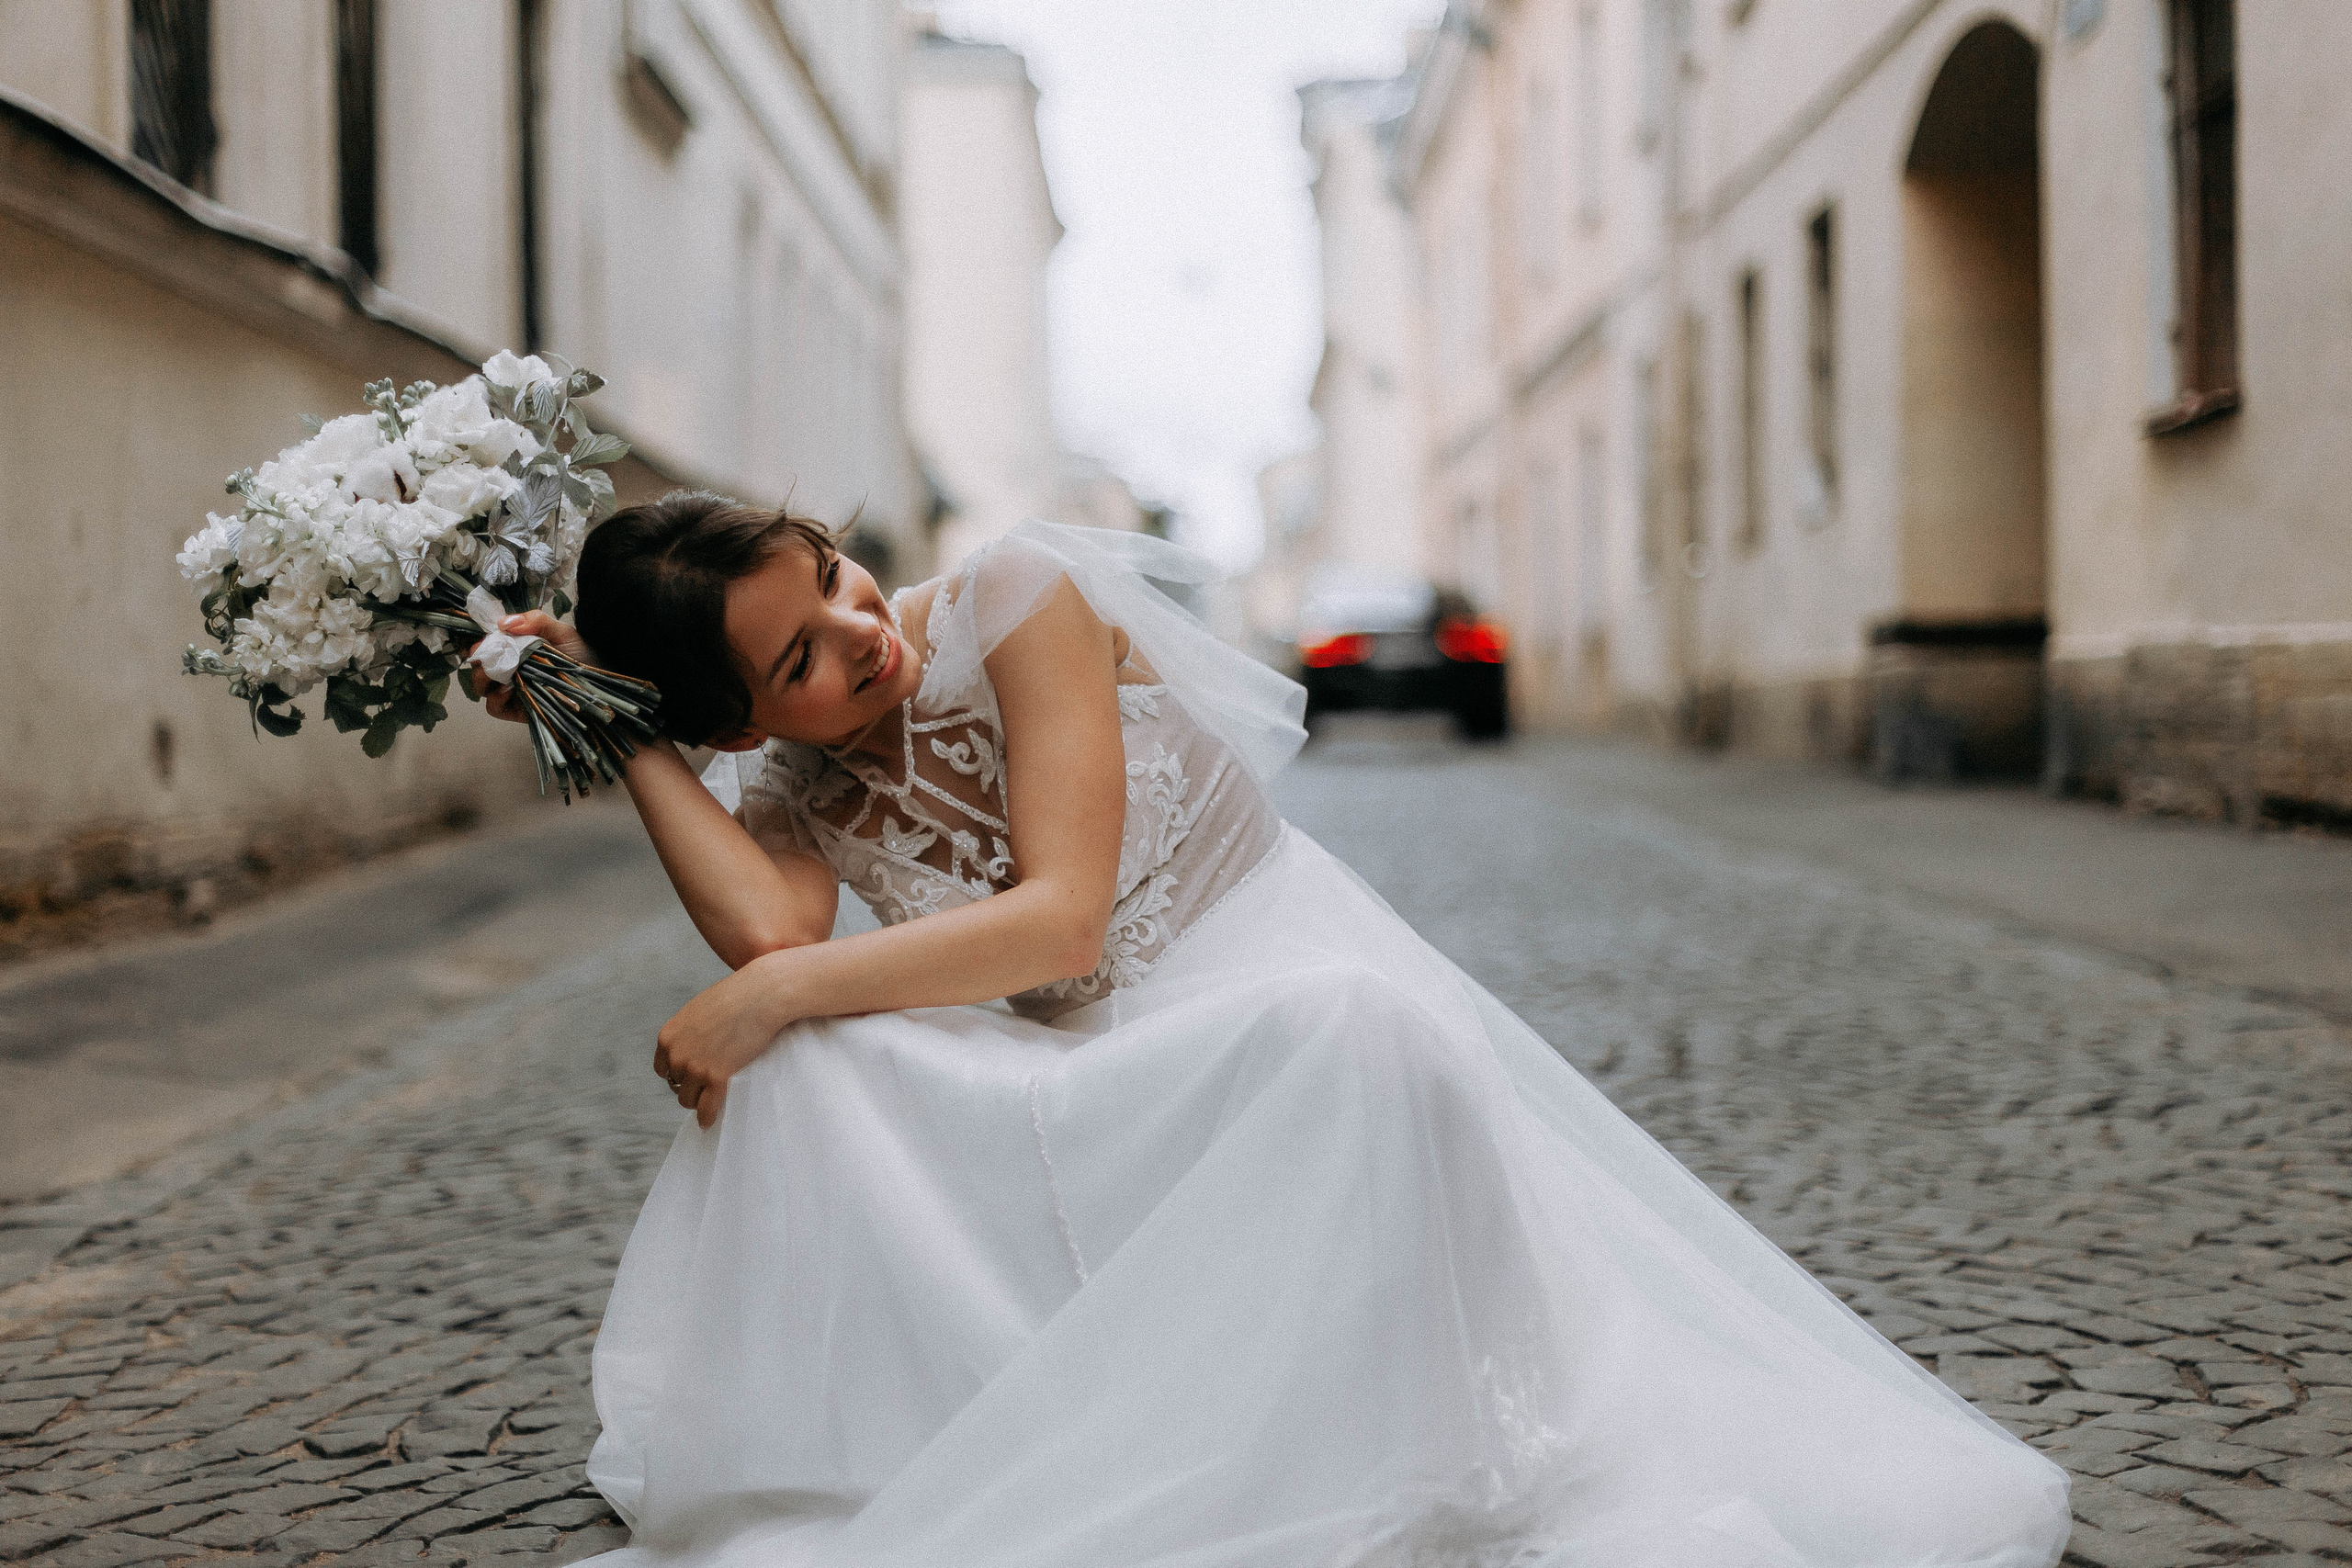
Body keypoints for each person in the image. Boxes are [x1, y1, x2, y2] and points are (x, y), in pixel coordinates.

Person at [477, 493, 2070, 1568]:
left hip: (1259, 983)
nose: (859, 633)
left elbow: (1061, 924)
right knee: (804, 1054)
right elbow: (769, 935)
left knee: (1352, 1036)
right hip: (1089, 1066)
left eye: (833, 578)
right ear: (743, 722)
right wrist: (624, 741)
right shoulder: (793, 781)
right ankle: (933, 1418)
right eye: (799, 661)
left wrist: (772, 989)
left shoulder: (1021, 598)